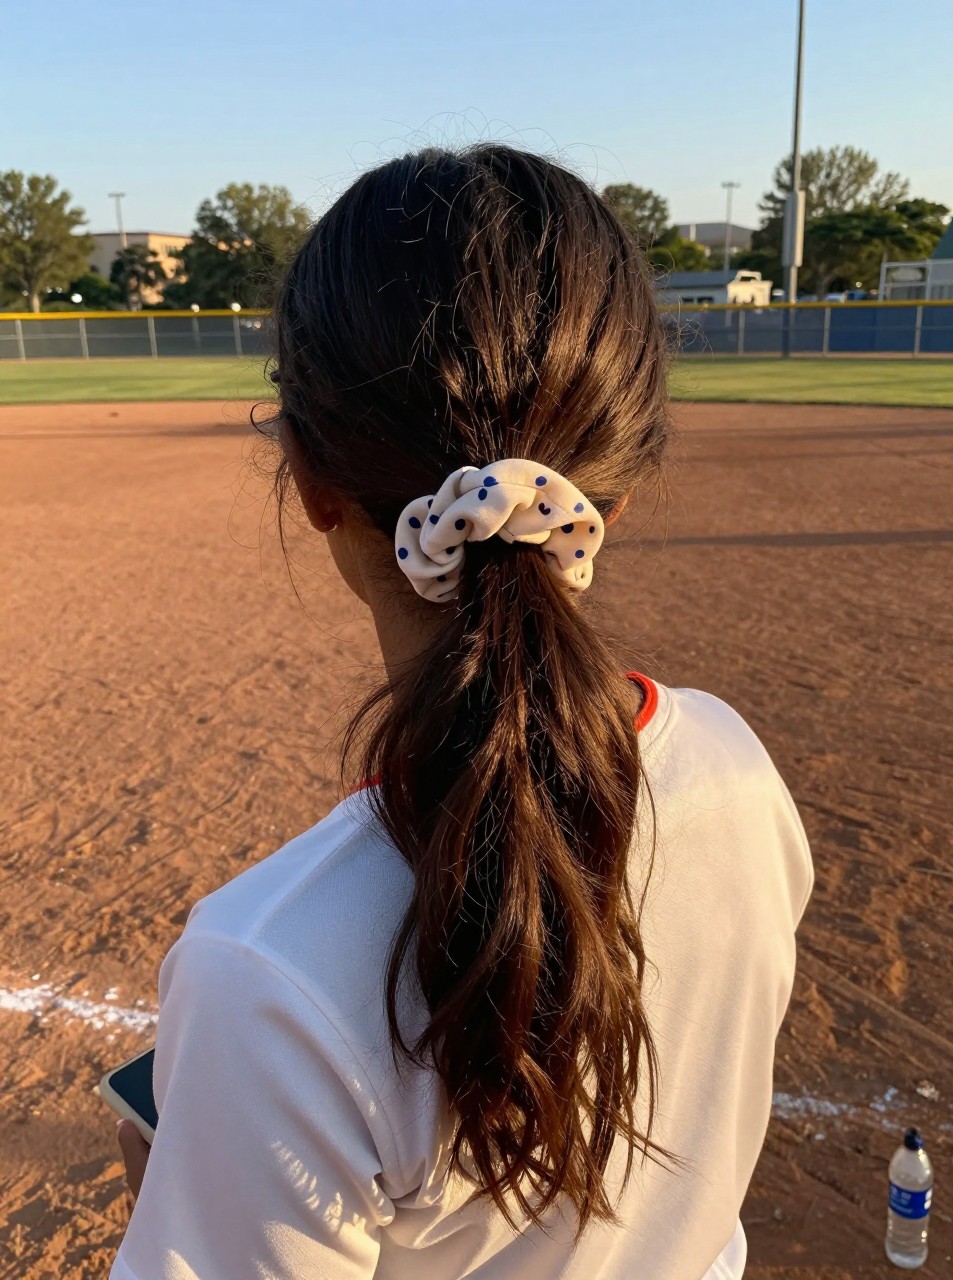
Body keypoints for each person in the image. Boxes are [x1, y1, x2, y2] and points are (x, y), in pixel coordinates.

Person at [111, 145, 813, 1280]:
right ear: (612, 495)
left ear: (307, 473)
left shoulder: (271, 967)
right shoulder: (736, 766)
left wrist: (177, 1181)